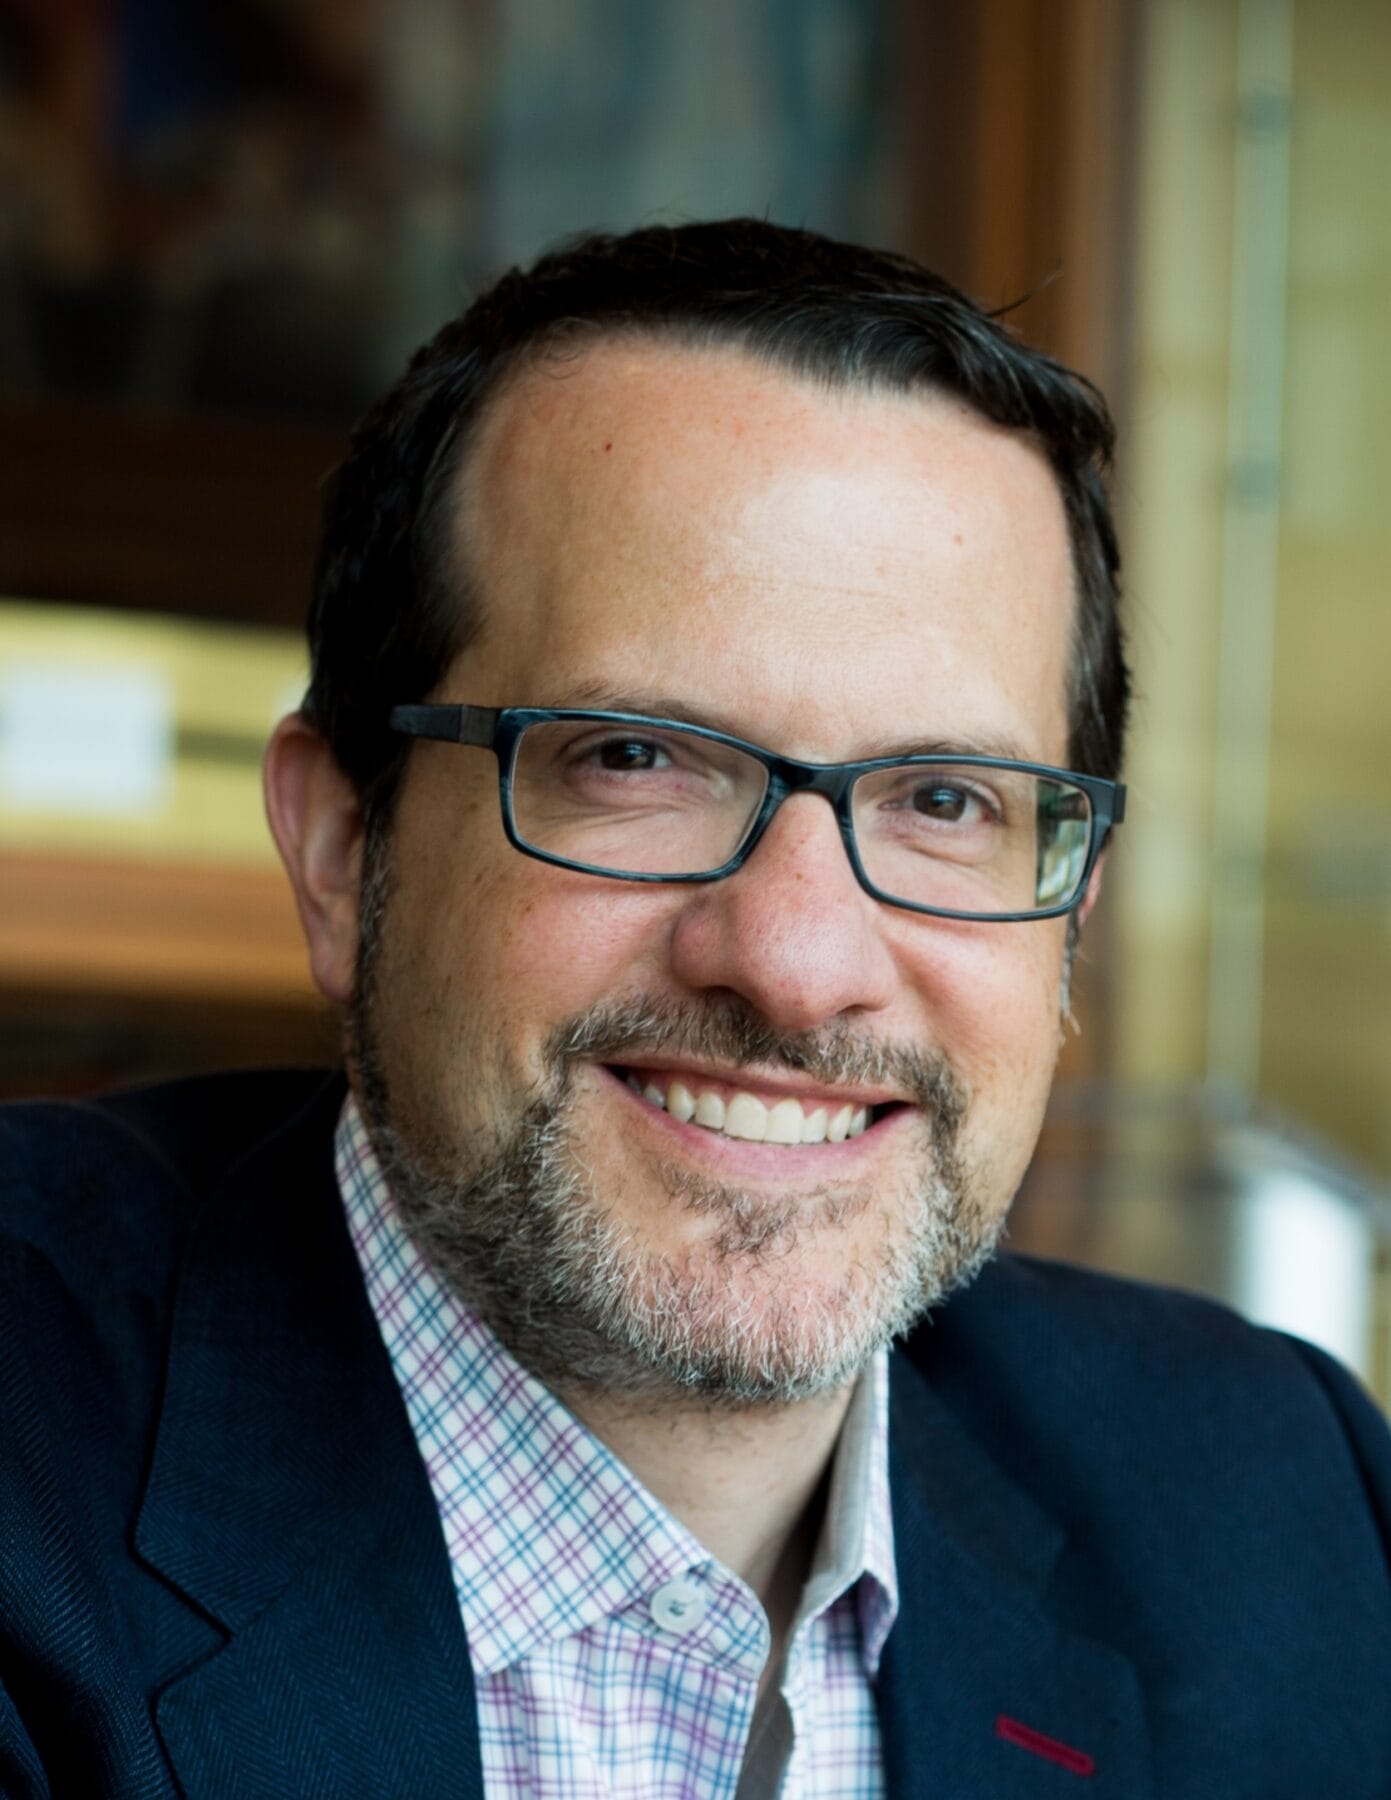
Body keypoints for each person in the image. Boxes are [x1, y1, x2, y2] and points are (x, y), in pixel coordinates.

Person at [2, 219, 1388, 1800]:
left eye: (944, 799)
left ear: (1072, 904)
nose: (797, 959)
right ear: (339, 848)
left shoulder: (1287, 1522)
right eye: (634, 760)